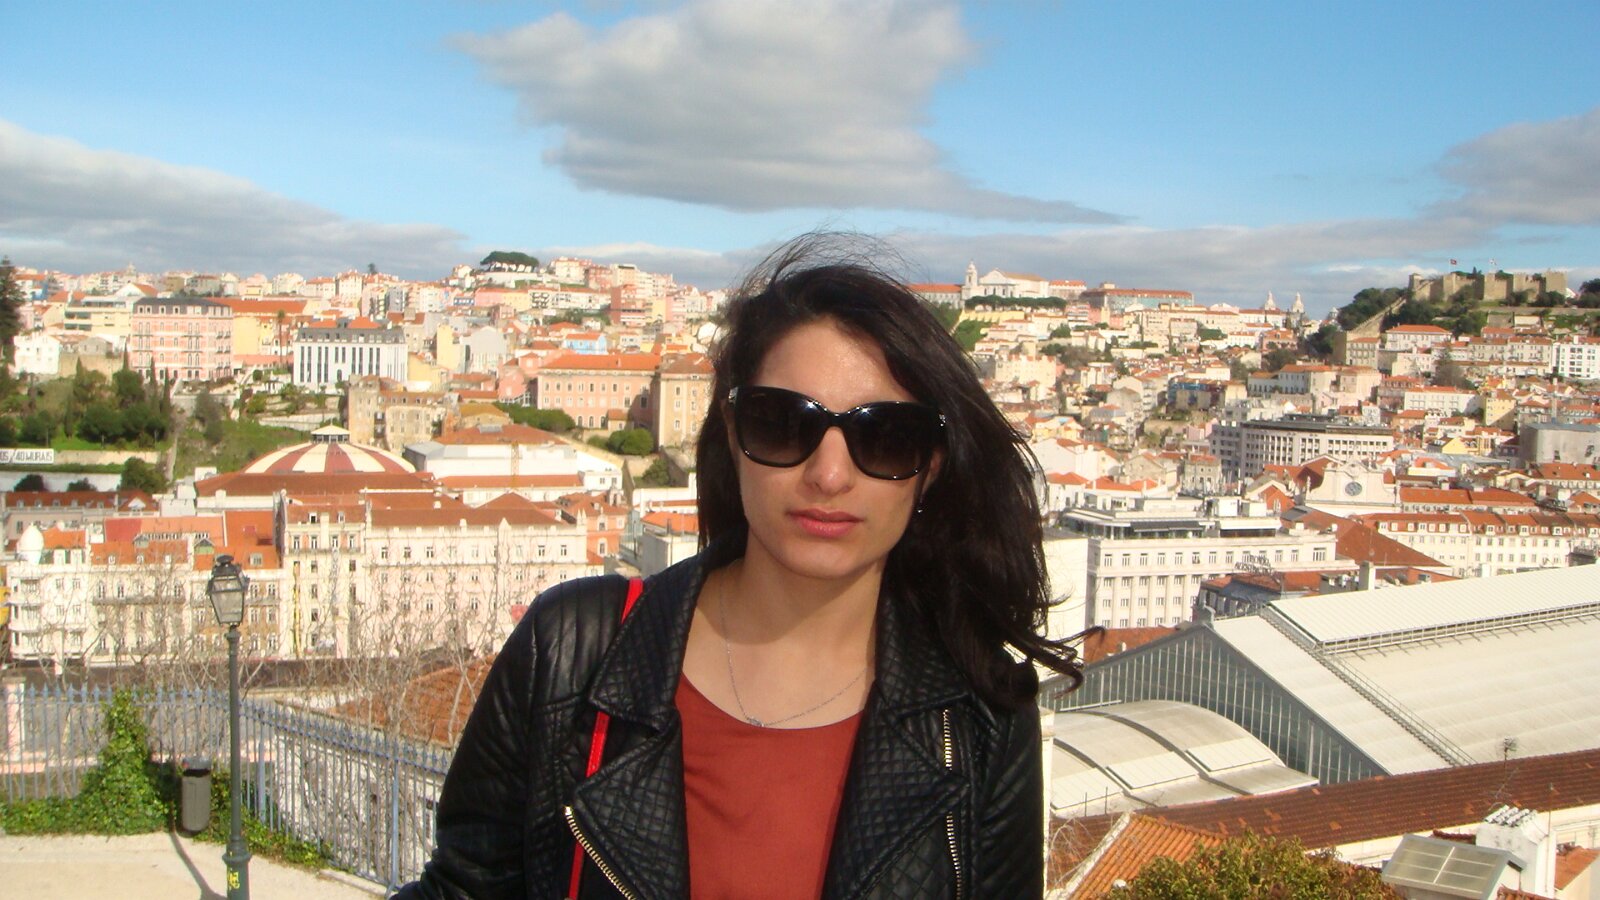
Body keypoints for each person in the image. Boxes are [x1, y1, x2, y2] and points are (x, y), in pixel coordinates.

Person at [394, 235, 1086, 899]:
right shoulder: (572, 652)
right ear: (732, 435)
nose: (830, 475)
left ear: (929, 468)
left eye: (884, 436)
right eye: (784, 424)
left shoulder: (981, 717)